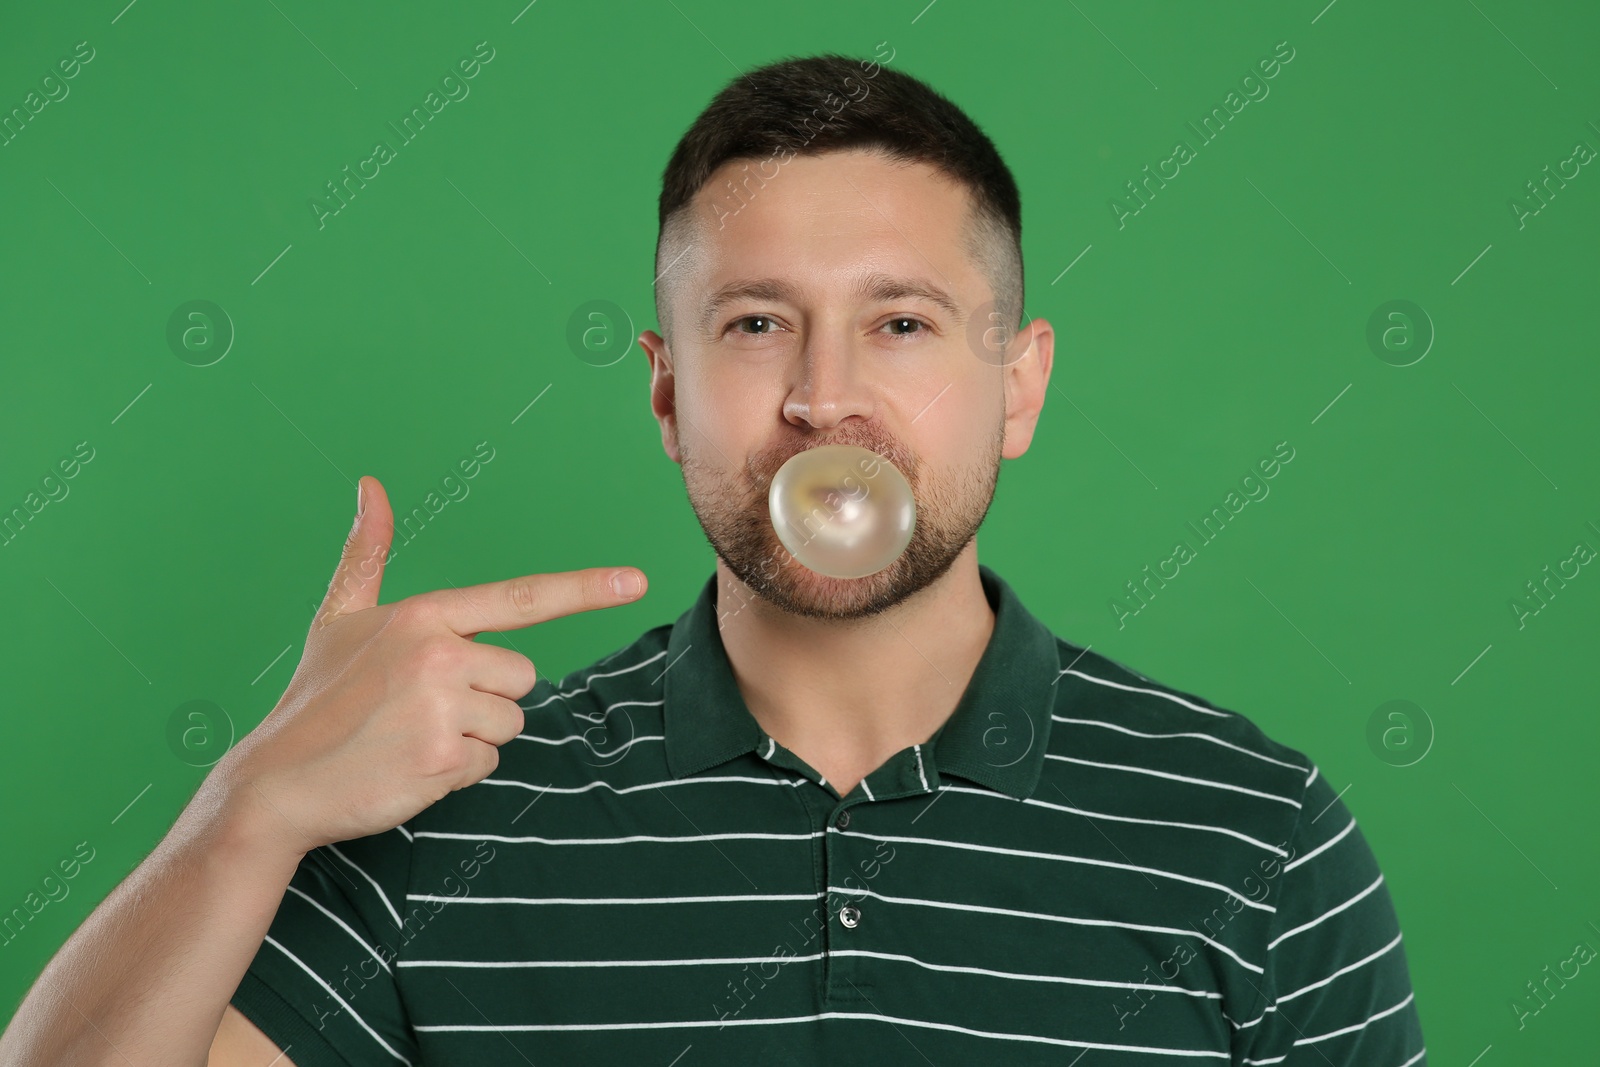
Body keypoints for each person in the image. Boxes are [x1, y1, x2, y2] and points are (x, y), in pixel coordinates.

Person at [0, 53, 1427, 1066]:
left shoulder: (1258, 840)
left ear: (1021, 382)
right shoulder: (446, 825)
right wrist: (248, 806)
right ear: (668, 390)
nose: (823, 397)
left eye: (903, 324)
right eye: (755, 324)